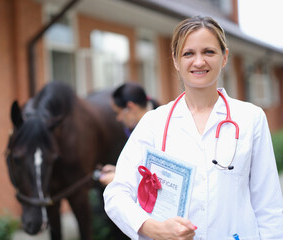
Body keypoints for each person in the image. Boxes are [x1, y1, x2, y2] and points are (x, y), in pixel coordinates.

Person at [103, 16, 283, 240]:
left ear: (224, 57)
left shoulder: (250, 118)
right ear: (176, 61)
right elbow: (116, 192)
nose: (199, 62)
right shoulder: (154, 123)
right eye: (188, 53)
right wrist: (152, 228)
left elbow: (269, 207)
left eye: (209, 52)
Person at [99, 82, 160, 186]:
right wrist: (118, 171)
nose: (118, 118)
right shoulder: (144, 126)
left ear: (131, 107)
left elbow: (159, 175)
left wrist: (117, 178)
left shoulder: (158, 128)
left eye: (118, 112)